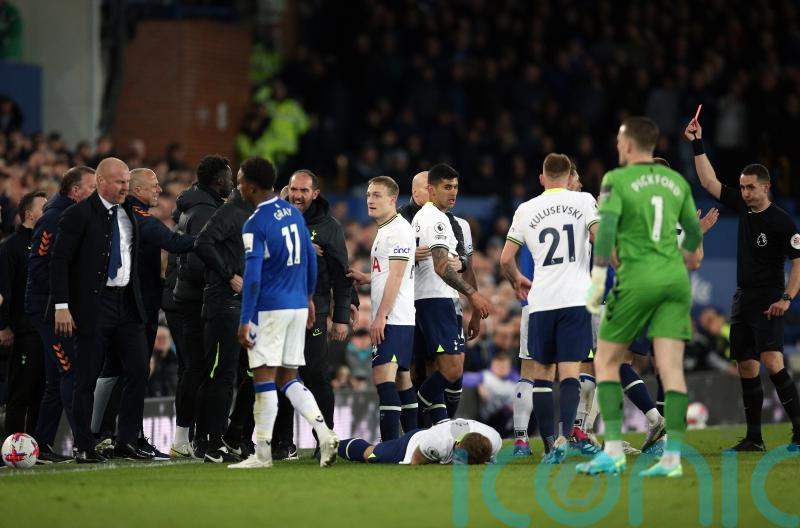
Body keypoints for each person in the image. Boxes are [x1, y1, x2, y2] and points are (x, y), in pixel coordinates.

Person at [578, 117, 702, 478]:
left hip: (636, 279)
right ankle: (672, 459)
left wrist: (598, 281)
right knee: (671, 370)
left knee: (606, 360)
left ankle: (613, 451)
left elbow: (604, 235)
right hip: (674, 282)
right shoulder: (678, 183)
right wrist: (680, 259)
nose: (618, 147)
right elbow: (694, 236)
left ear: (630, 145)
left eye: (620, 141)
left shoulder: (616, 180)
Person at [686, 118, 800, 452]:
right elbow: (708, 181)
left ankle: (799, 431)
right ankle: (754, 438)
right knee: (746, 366)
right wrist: (697, 142)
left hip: (769, 299)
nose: (745, 192)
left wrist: (787, 297)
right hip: (743, 298)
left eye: (750, 187)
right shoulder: (742, 207)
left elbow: (799, 262)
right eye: (743, 187)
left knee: (773, 363)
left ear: (766, 187)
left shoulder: (782, 221)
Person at [228, 157, 338, 469]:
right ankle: (324, 432)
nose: (238, 186)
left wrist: (245, 319)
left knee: (263, 380)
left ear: (251, 186)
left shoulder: (255, 224)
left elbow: (252, 277)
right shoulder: (292, 213)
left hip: (271, 309)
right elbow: (311, 260)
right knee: (289, 378)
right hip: (297, 306)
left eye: (240, 180)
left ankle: (262, 453)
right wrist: (308, 297)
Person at [50, 157, 151, 463]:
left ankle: (127, 440)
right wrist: (62, 306)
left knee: (138, 370)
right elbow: (59, 261)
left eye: (127, 182)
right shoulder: (77, 214)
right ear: (101, 182)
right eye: (120, 182)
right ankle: (84, 445)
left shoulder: (128, 213)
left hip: (126, 304)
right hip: (93, 306)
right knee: (86, 378)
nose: (125, 187)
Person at [500, 153, 600, 464]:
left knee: (542, 376)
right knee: (570, 373)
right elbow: (600, 238)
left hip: (541, 300)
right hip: (576, 298)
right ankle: (564, 436)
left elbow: (505, 259)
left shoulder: (525, 208)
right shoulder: (584, 200)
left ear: (542, 178)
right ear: (569, 177)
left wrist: (517, 279)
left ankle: (547, 447)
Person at [91, 168, 194, 460]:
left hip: (123, 307)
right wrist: (214, 235)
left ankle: (104, 434)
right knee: (134, 372)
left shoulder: (123, 215)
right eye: (154, 186)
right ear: (137, 190)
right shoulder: (142, 219)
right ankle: (126, 437)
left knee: (114, 372)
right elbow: (176, 243)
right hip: (138, 310)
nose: (159, 190)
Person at [272, 169, 357, 460]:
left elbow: (341, 274)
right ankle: (283, 442)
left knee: (316, 376)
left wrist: (341, 317)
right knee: (281, 375)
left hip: (314, 313)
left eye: (304, 191)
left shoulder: (329, 227)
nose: (297, 196)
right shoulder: (275, 220)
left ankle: (324, 438)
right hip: (278, 310)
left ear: (315, 193)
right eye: (294, 189)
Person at [25, 166, 96, 463]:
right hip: (49, 311)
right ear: (76, 191)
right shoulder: (55, 218)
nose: (96, 193)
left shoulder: (74, 215)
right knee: (71, 371)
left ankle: (42, 444)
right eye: (92, 187)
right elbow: (39, 266)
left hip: (57, 307)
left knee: (56, 379)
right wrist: (61, 302)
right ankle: (83, 443)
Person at [411, 163, 490, 425]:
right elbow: (442, 266)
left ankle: (432, 429)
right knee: (452, 370)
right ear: (431, 190)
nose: (453, 192)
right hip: (435, 299)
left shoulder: (431, 217)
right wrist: (474, 296)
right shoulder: (435, 219)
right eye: (446, 187)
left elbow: (461, 266)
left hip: (431, 299)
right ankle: (412, 420)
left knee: (437, 369)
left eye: (455, 187)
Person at [191, 164, 255, 463]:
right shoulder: (230, 212)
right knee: (220, 373)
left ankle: (224, 437)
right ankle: (209, 441)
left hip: (242, 306)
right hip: (223, 303)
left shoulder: (250, 213)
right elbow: (202, 242)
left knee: (240, 373)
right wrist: (229, 275)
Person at [171, 155, 232, 458]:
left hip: (191, 296)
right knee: (197, 368)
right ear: (219, 181)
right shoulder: (205, 211)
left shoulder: (195, 205)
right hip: (197, 298)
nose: (232, 183)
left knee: (196, 367)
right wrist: (226, 275)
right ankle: (185, 437)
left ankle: (192, 436)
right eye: (229, 177)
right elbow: (196, 261)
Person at [346, 176, 416, 441]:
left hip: (394, 316)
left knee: (383, 378)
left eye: (376, 195)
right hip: (399, 316)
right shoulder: (386, 229)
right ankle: (413, 441)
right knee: (402, 380)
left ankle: (390, 446)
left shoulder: (398, 230)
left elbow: (397, 276)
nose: (370, 200)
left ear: (392, 199)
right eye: (368, 195)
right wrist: (367, 277)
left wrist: (381, 316)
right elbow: (389, 271)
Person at [1, 191, 47, 439]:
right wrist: (3, 326)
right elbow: (3, 289)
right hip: (23, 332)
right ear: (29, 214)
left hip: (45, 330)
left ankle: (36, 446)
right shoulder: (10, 247)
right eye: (43, 208)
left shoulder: (47, 244)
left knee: (42, 391)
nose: (49, 212)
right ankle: (13, 447)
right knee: (21, 392)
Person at [337, 418, 501, 465]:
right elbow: (416, 461)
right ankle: (333, 445)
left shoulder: (494, 440)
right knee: (372, 456)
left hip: (438, 431)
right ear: (458, 444)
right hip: (413, 443)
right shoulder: (436, 442)